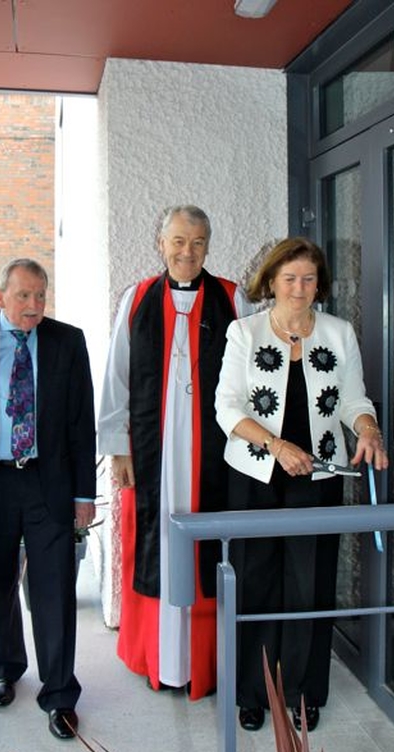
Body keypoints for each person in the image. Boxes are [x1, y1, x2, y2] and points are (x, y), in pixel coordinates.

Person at [215, 236, 388, 733]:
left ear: (320, 284)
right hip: (254, 472)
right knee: (254, 582)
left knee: (309, 585)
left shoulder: (339, 332)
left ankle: (303, 692)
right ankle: (251, 691)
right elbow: (226, 408)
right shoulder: (243, 333)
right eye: (289, 278)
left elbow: (354, 399)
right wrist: (275, 445)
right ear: (271, 282)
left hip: (319, 473)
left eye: (309, 278)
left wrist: (368, 427)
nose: (299, 288)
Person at [98, 204, 246, 700]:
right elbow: (117, 376)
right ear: (161, 244)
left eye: (198, 242)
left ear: (209, 246)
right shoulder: (138, 299)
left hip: (214, 452)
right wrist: (119, 447)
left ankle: (205, 659)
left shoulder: (231, 298)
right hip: (154, 448)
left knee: (209, 546)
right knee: (155, 540)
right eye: (179, 241)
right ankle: (156, 656)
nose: (188, 251)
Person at [0, 258, 96, 740]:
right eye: (23, 296)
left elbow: (81, 421)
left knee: (53, 588)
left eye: (41, 295)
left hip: (46, 480)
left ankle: (58, 694)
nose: (34, 306)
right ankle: (4, 668)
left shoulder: (67, 341)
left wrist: (83, 494)